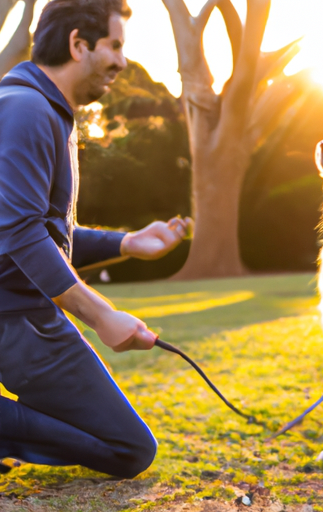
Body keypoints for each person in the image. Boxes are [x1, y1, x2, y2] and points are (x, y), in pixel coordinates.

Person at [0, 0, 192, 478]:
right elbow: (18, 233)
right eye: (115, 45)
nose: (122, 62)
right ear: (78, 44)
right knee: (127, 449)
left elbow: (47, 232)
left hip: (21, 311)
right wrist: (102, 315)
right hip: (15, 317)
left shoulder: (43, 109)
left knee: (127, 448)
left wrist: (127, 244)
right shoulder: (26, 110)